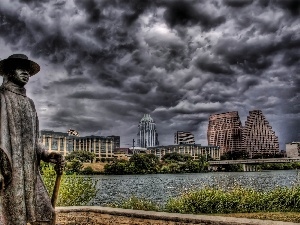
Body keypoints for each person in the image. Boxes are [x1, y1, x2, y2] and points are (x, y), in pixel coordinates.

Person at [0, 54, 65, 225]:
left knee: (46, 214)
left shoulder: (30, 104)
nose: (26, 73)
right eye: (21, 68)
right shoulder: (1, 98)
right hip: (8, 173)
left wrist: (48, 154)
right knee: (13, 220)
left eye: (28, 70)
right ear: (8, 71)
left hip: (30, 174)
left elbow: (34, 140)